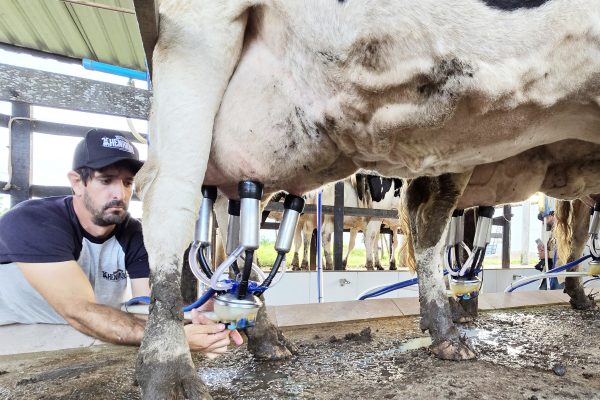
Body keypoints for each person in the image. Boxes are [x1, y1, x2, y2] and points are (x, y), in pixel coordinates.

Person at [0, 129, 242, 358]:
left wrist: (196, 317)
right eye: (106, 181)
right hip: (12, 337)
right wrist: (174, 338)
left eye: (127, 183)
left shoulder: (135, 233)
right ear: (77, 182)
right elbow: (80, 311)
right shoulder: (33, 221)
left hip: (84, 333)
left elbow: (148, 307)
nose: (120, 194)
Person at [533, 211, 564, 290]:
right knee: (543, 296)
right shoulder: (553, 234)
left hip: (560, 275)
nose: (544, 222)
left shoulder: (565, 232)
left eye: (546, 218)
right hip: (549, 272)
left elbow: (567, 252)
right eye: (543, 220)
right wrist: (543, 250)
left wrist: (547, 254)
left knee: (559, 299)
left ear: (554, 216)